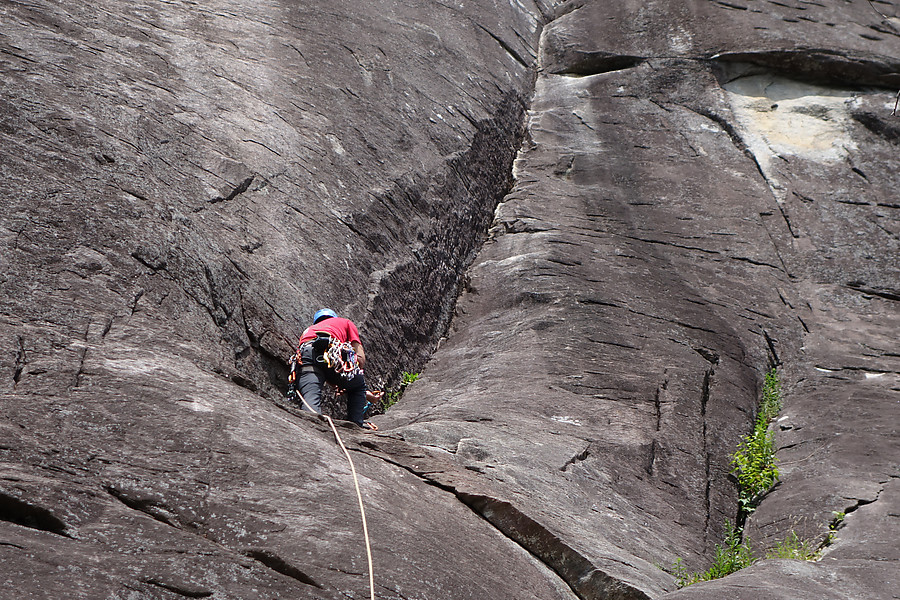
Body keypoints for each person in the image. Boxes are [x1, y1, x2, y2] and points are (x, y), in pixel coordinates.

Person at [290, 308, 382, 429]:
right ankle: (356, 426)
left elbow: (321, 371)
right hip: (332, 352)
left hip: (307, 356)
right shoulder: (345, 322)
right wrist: (352, 380)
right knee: (358, 386)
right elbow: (360, 358)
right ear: (334, 317)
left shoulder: (308, 331)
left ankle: (311, 427)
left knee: (310, 400)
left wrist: (339, 384)